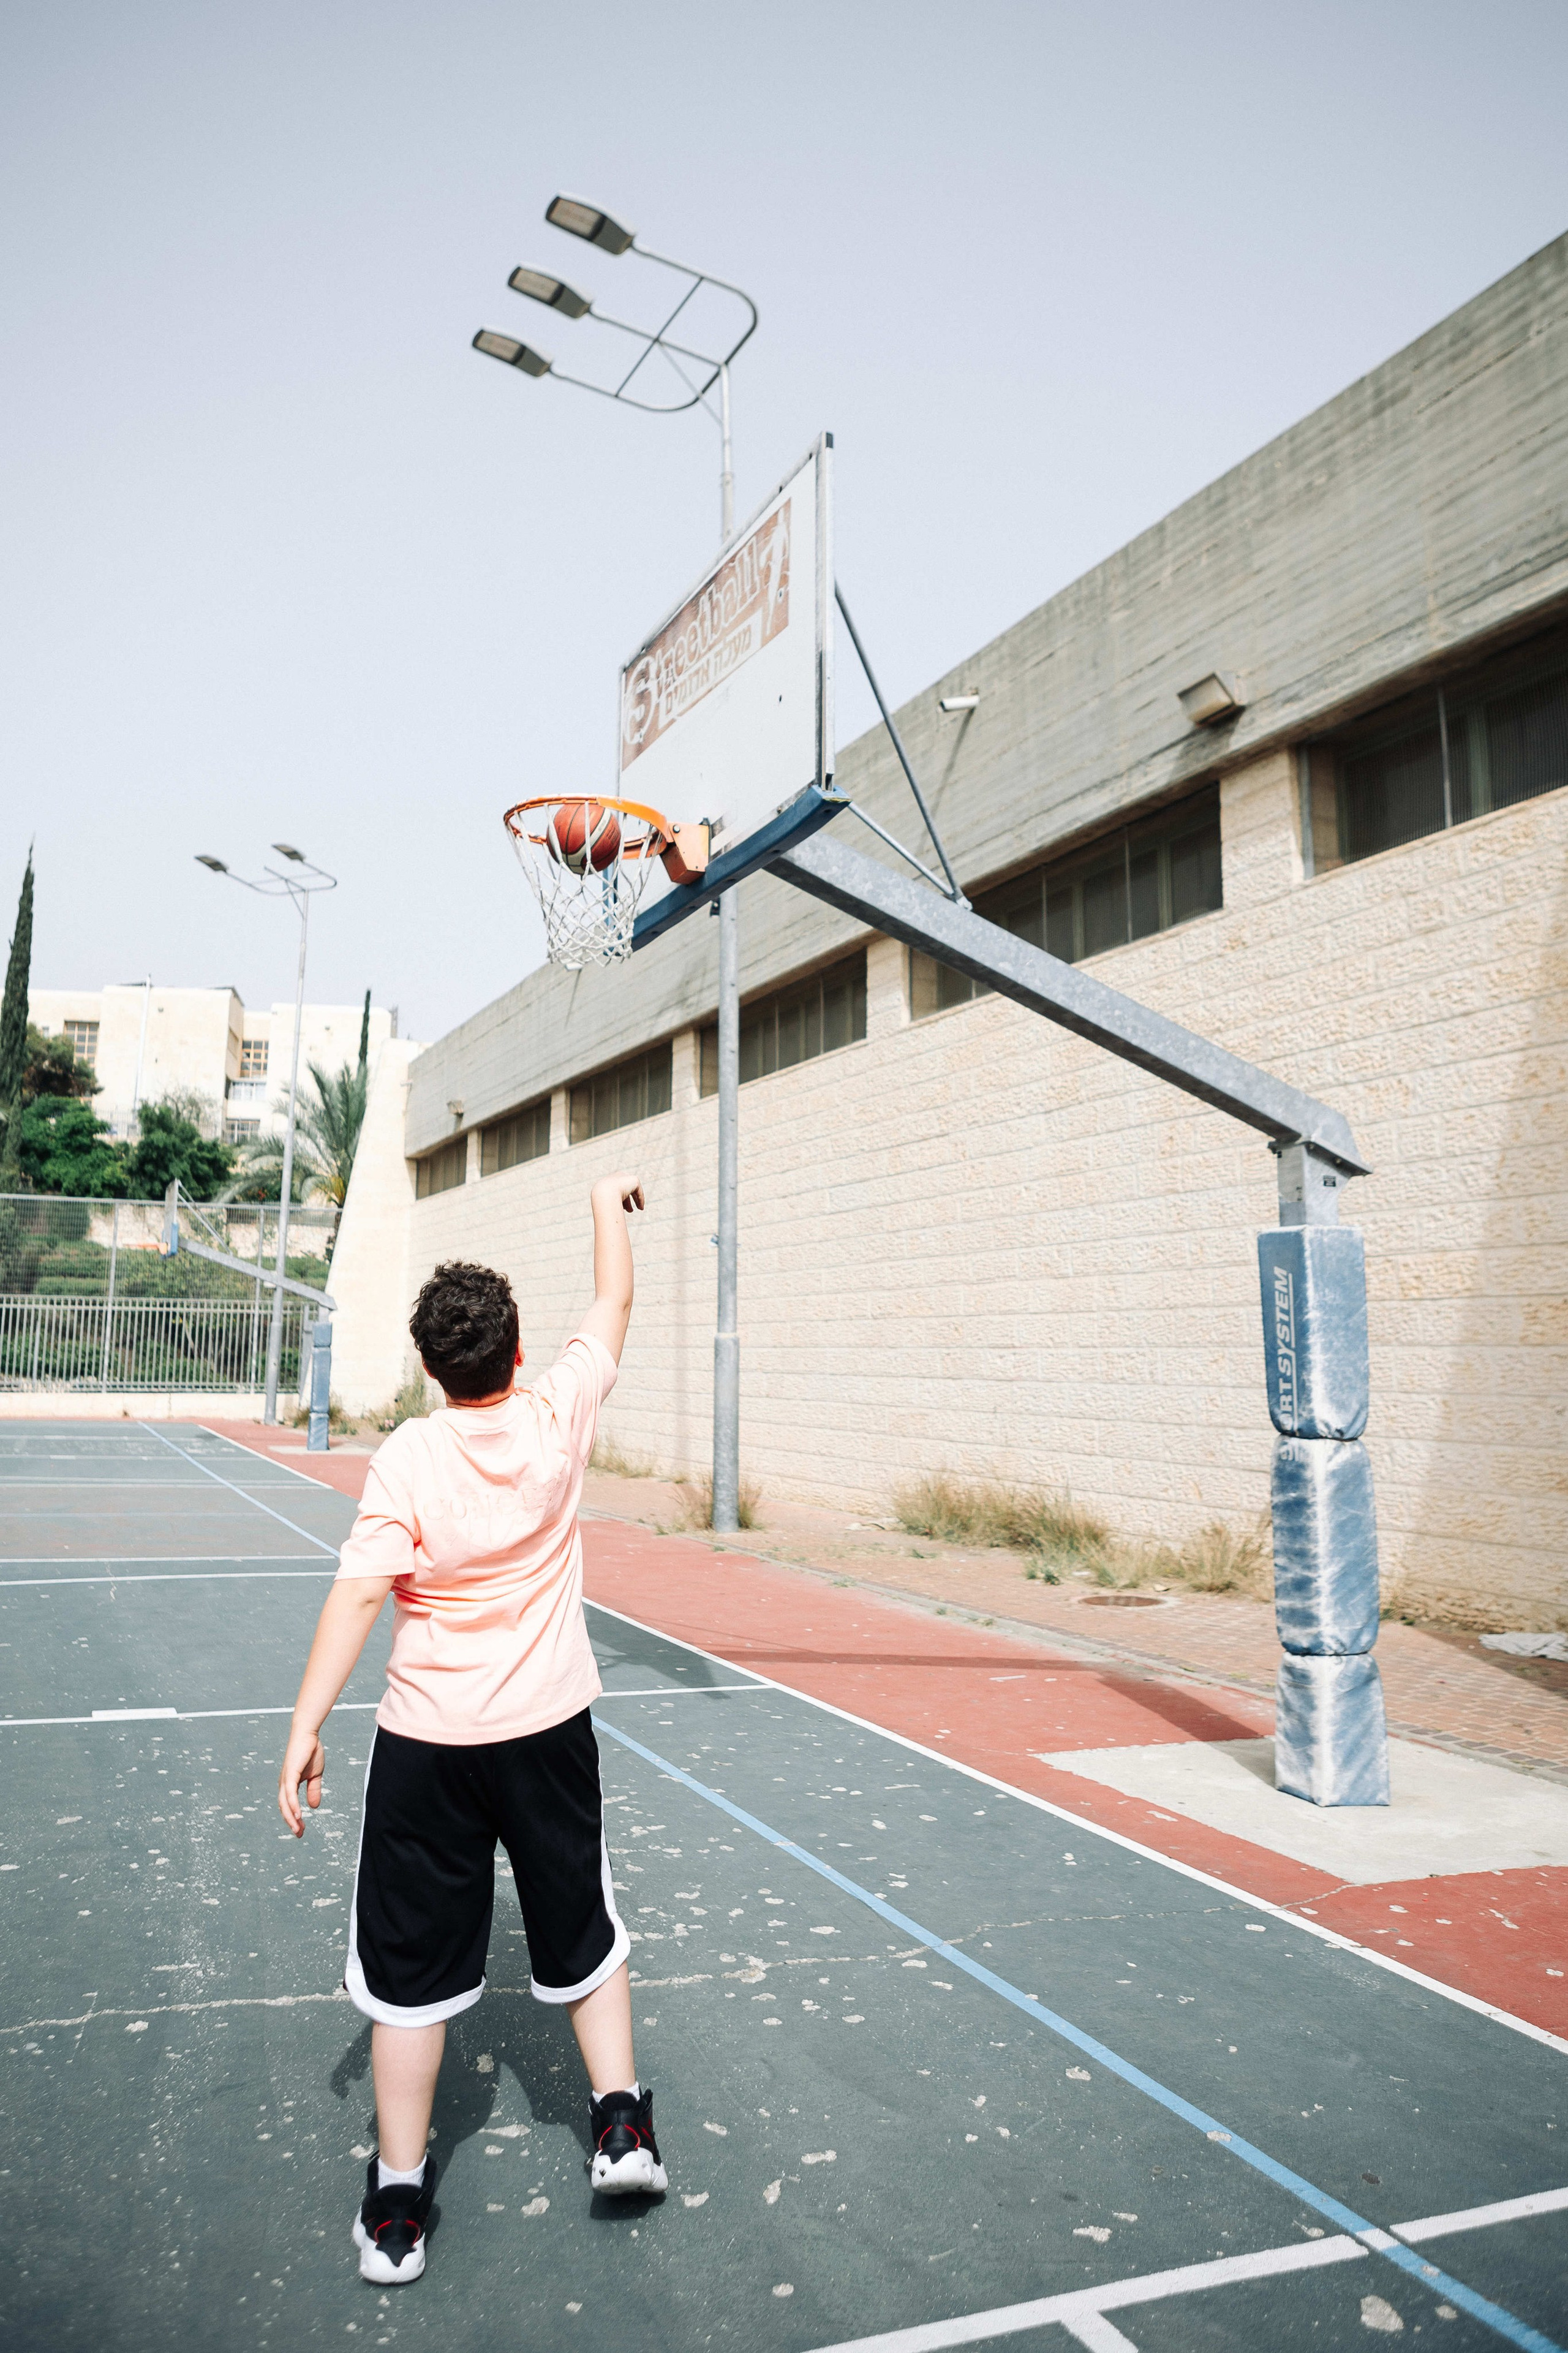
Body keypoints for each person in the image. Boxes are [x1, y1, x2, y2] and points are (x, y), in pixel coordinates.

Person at [276, 1172, 660, 2287]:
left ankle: (399, 2206)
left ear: (431, 1366)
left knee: (408, 1979)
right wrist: (602, 1201)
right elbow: (616, 1305)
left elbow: (356, 1596)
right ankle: (622, 2127)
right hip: (547, 1731)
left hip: (430, 1747)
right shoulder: (556, 1415)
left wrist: (305, 1725)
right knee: (583, 1928)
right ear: (516, 1347)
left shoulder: (407, 1455)